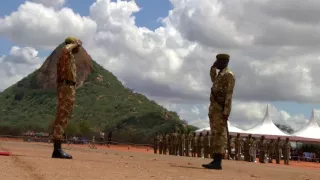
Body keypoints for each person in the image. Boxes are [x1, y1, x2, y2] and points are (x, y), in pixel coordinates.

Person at [202, 54, 235, 170]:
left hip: (221, 109)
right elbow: (212, 79)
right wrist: (212, 67)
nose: (216, 62)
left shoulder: (228, 75)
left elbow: (229, 94)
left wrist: (226, 111)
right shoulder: (220, 75)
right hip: (214, 109)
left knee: (220, 135)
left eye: (218, 61)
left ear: (224, 62)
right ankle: (215, 159)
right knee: (215, 134)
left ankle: (218, 161)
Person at [51, 37, 82, 159]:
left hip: (69, 88)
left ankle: (58, 148)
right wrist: (75, 43)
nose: (78, 48)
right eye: (77, 46)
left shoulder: (70, 58)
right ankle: (57, 149)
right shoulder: (66, 54)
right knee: (62, 116)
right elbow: (65, 49)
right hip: (66, 87)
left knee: (64, 116)